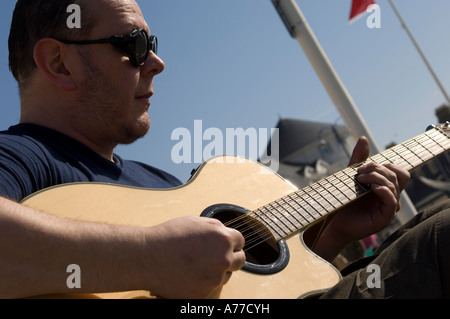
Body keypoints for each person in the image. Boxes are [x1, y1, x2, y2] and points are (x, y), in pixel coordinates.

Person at [0, 0, 448, 299]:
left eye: (151, 46)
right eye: (134, 46)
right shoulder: (22, 156)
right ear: (59, 62)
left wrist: (331, 234)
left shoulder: (157, 184)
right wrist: (147, 257)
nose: (156, 63)